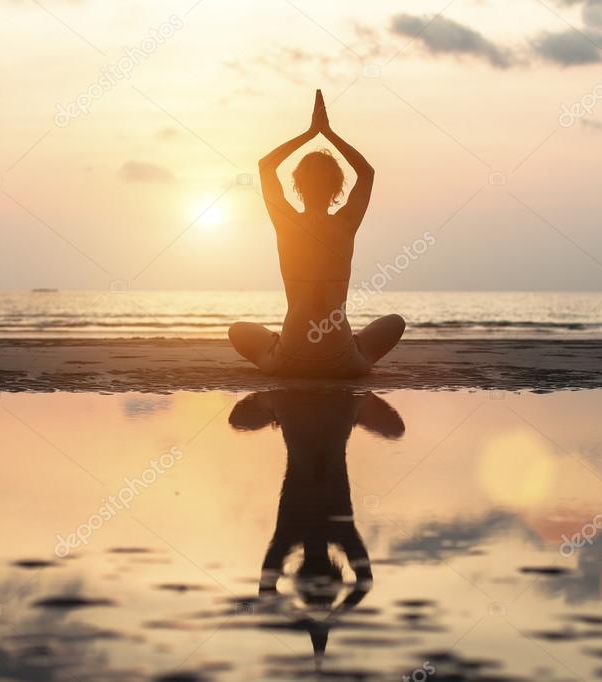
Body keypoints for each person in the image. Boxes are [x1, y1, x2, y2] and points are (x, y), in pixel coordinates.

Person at [228, 89, 405, 378]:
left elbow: (265, 166)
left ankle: (277, 344)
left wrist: (310, 133)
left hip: (289, 360)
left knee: (237, 330)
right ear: (338, 188)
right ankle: (356, 347)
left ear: (297, 185)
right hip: (343, 361)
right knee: (395, 322)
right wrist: (328, 133)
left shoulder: (286, 223)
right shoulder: (346, 223)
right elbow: (367, 173)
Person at [228, 389, 405, 671]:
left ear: (337, 570)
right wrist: (304, 620)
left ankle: (334, 410)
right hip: (312, 401)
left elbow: (364, 582)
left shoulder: (338, 533)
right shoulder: (291, 535)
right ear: (300, 573)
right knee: (369, 415)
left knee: (362, 412)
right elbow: (266, 591)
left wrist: (333, 616)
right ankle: (336, 409)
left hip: (320, 401)